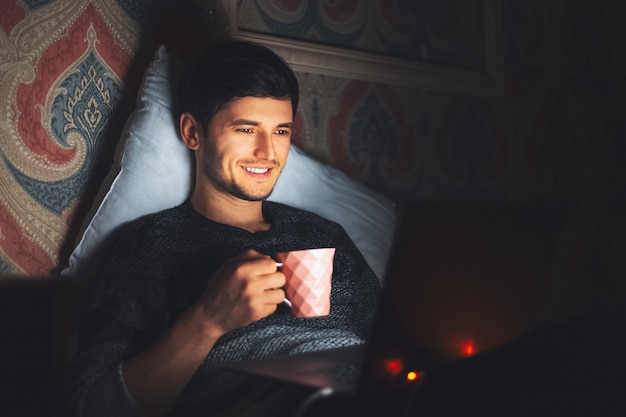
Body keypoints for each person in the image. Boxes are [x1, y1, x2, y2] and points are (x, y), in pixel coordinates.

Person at [68, 40, 382, 417]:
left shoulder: (324, 235)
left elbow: (395, 349)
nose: (268, 152)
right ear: (192, 133)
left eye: (281, 132)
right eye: (247, 129)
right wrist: (208, 321)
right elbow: (94, 406)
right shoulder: (152, 244)